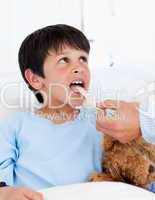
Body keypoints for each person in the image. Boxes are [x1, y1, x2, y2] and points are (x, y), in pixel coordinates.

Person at [0, 24, 154, 200]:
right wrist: (5, 192)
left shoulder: (105, 123)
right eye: (64, 60)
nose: (79, 67)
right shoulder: (15, 125)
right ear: (35, 79)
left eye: (83, 59)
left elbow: (139, 173)